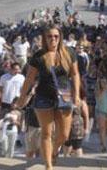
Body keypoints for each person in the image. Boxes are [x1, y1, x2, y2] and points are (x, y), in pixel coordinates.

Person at [17, 24, 80, 170]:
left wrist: (76, 94)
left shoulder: (69, 52)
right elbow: (29, 78)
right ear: (45, 38)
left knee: (64, 135)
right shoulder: (39, 56)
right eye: (50, 36)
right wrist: (22, 96)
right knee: (46, 132)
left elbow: (75, 74)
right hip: (43, 96)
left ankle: (54, 151)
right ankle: (48, 165)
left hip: (64, 96)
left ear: (60, 37)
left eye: (56, 36)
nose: (53, 39)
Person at [64, 85, 90, 157]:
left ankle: (79, 161)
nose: (71, 92)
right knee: (66, 145)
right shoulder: (65, 101)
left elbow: (86, 117)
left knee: (77, 147)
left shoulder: (82, 103)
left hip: (77, 128)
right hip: (66, 127)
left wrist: (86, 128)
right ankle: (65, 161)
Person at [94, 76, 107, 153]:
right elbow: (98, 98)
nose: (104, 84)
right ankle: (103, 145)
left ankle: (103, 139)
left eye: (105, 82)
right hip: (100, 111)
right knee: (102, 128)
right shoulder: (98, 90)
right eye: (102, 82)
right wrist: (103, 90)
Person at [24, 90, 42, 158]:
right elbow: (23, 105)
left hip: (42, 127)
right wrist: (31, 94)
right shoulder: (29, 101)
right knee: (30, 151)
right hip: (31, 127)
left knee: (40, 150)